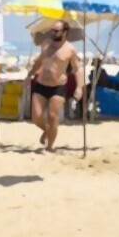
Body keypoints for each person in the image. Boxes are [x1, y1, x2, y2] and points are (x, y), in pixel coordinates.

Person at [26, 20, 83, 152]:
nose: (53, 33)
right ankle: (46, 130)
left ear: (65, 32)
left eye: (56, 31)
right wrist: (29, 75)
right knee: (36, 116)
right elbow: (39, 61)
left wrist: (79, 88)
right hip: (41, 84)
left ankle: (50, 147)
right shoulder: (45, 44)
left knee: (53, 117)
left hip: (58, 86)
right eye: (52, 30)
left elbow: (77, 69)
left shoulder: (70, 49)